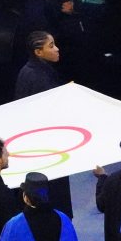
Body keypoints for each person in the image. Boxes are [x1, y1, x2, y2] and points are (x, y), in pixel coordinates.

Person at [14, 31, 73, 217]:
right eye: (51, 46)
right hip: (46, 144)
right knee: (54, 194)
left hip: (41, 142)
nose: (57, 49)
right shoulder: (37, 76)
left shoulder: (36, 71)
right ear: (38, 52)